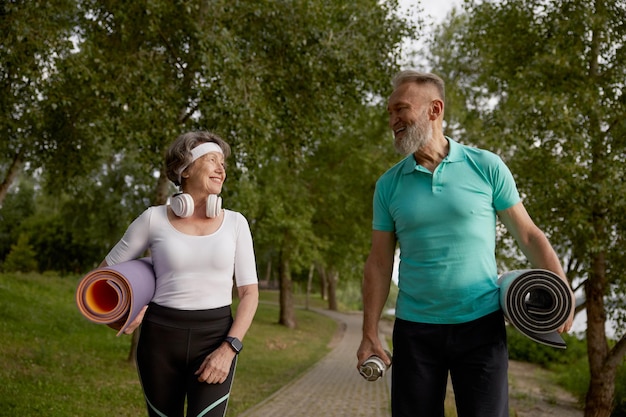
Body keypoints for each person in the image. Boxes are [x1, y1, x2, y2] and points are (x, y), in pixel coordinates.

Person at [356, 70, 575, 417]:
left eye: (401, 109)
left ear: (434, 109)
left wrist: (561, 289)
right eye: (390, 112)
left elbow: (529, 235)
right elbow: (379, 263)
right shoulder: (389, 185)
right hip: (416, 330)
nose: (393, 119)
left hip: (481, 327)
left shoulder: (486, 166)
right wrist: (369, 331)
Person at [99, 131, 259, 417]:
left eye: (223, 162)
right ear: (185, 169)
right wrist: (123, 313)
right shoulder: (153, 218)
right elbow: (103, 275)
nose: (221, 169)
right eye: (212, 160)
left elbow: (249, 293)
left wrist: (229, 348)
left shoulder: (236, 223)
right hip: (159, 342)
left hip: (215, 340)